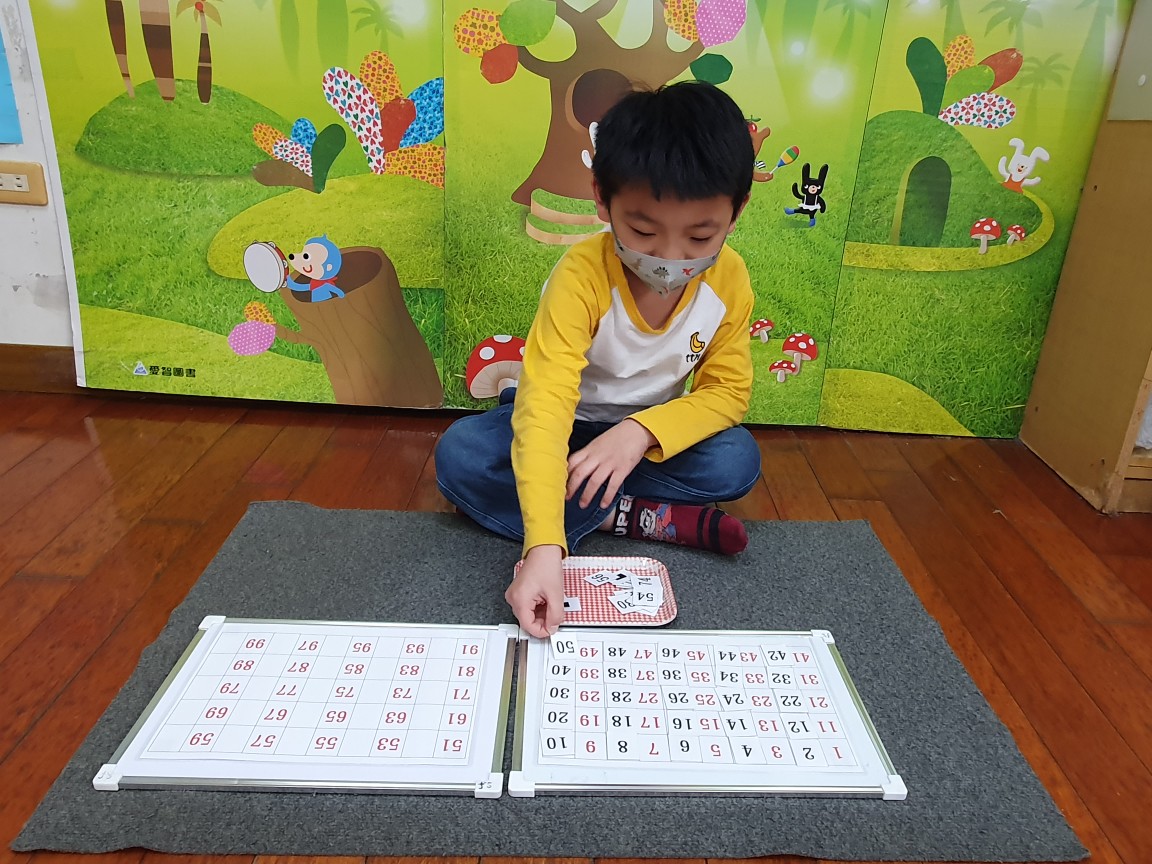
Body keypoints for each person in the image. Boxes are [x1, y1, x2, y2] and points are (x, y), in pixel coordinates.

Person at [435, 81, 762, 638]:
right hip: (565, 425)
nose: (670, 257)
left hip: (642, 442)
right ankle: (627, 516)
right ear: (601, 199)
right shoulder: (581, 276)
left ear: (737, 212)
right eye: (643, 230)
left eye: (700, 235)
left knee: (736, 461)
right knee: (460, 455)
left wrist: (637, 433)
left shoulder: (729, 279)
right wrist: (543, 548)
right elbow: (545, 407)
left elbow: (727, 393)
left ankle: (593, 503)